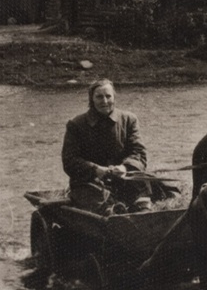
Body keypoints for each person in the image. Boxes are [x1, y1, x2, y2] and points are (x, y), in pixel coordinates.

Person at [61, 79, 153, 214]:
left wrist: (124, 167)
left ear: (114, 97)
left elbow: (138, 153)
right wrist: (95, 169)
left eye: (108, 96)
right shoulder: (76, 125)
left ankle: (144, 214)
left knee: (142, 186)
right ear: (91, 99)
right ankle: (111, 211)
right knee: (103, 206)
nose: (104, 101)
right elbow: (69, 161)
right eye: (99, 97)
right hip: (89, 183)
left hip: (124, 179)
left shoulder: (129, 120)